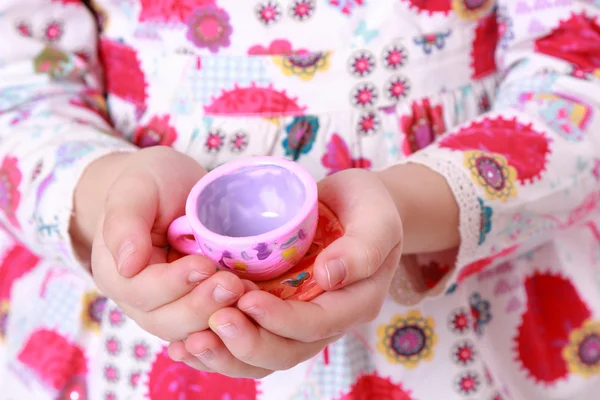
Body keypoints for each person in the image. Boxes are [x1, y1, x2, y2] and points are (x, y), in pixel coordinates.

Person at [0, 0, 599, 398]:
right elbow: (18, 85)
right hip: (131, 344)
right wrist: (113, 202)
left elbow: (580, 68)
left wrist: (409, 204)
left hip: (475, 328)